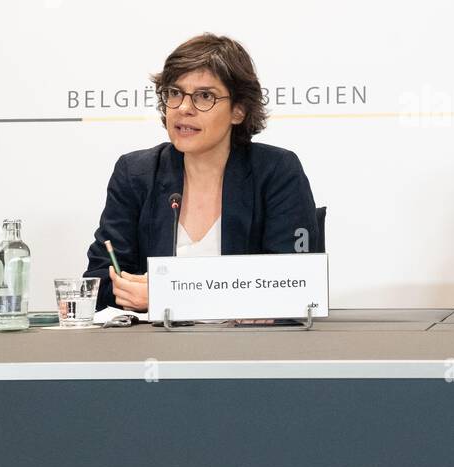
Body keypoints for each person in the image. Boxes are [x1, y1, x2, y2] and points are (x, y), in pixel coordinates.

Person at [84, 33, 320, 312]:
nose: (184, 108)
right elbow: (98, 283)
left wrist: (169, 295)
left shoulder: (276, 172)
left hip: (248, 350)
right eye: (174, 93)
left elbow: (295, 284)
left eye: (204, 96)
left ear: (238, 110)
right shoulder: (136, 174)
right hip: (154, 350)